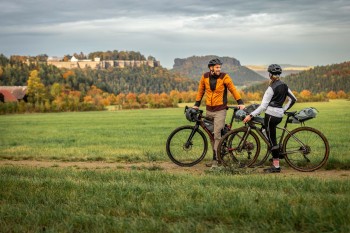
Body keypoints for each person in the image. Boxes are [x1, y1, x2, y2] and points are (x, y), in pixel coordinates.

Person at [243, 64, 297, 173]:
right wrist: (283, 109)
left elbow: (263, 106)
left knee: (272, 140)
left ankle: (276, 166)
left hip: (271, 115)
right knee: (265, 130)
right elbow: (293, 99)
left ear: (270, 75)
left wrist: (250, 115)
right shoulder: (284, 85)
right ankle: (275, 153)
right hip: (279, 116)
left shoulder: (271, 88)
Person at [193, 58, 245, 168]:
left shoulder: (224, 77)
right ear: (211, 68)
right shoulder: (205, 76)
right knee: (211, 135)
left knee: (217, 135)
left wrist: (240, 102)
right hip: (209, 110)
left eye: (220, 67)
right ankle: (217, 158)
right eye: (217, 67)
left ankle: (216, 162)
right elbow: (200, 91)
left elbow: (232, 89)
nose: (219, 69)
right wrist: (197, 104)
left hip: (220, 110)